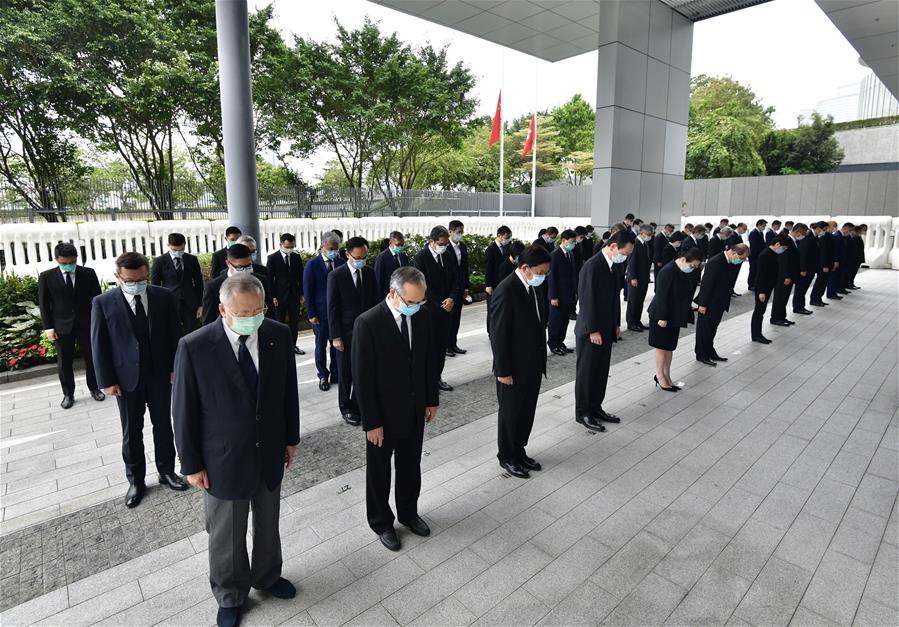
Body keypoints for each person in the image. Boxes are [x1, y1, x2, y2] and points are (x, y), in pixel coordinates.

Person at [172, 273, 299, 627]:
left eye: (257, 310)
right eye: (243, 313)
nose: (252, 318)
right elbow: (183, 410)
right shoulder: (194, 346)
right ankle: (230, 593)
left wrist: (291, 439)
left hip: (269, 449)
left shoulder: (278, 334)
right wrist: (192, 464)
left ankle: (268, 575)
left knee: (268, 521)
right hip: (222, 457)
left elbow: (287, 392)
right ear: (222, 310)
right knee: (226, 532)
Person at [353, 266, 439, 552]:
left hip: (414, 409)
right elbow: (362, 378)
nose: (416, 307)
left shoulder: (423, 316)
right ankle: (381, 522)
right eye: (411, 302)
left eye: (421, 301)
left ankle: (408, 513)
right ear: (394, 294)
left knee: (410, 466)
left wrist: (430, 399)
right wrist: (371, 422)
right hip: (382, 415)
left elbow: (427, 361)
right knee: (379, 472)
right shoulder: (368, 322)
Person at [91, 252, 186, 507]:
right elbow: (98, 345)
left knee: (164, 425)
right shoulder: (103, 302)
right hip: (125, 380)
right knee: (131, 431)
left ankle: (167, 471)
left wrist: (176, 367)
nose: (138, 284)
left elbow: (175, 334)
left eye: (142, 279)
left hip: (159, 375)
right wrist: (106, 380)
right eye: (131, 280)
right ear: (118, 278)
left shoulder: (163, 297)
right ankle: (136, 480)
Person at [490, 245, 551, 479]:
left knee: (526, 411)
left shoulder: (533, 287)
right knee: (510, 413)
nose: (543, 277)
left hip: (533, 364)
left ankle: (519, 450)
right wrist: (503, 370)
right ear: (525, 268)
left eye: (546, 273)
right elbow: (499, 334)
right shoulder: (507, 290)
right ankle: (507, 456)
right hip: (512, 368)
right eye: (541, 272)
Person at [574, 231, 633, 432]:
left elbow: (613, 298)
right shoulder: (592, 266)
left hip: (606, 329)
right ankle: (583, 412)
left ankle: (595, 407)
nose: (625, 257)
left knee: (600, 372)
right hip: (591, 332)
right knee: (587, 374)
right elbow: (587, 300)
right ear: (613, 246)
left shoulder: (613, 266)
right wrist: (593, 331)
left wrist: (616, 324)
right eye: (624, 252)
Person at [38, 242, 104, 409]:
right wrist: (49, 328)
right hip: (61, 326)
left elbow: (97, 299)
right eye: (64, 263)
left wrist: (99, 322)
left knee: (92, 358)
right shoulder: (47, 277)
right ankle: (68, 394)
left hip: (87, 323)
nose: (68, 266)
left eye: (71, 262)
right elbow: (44, 304)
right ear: (56, 259)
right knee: (64, 362)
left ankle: (95, 388)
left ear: (76, 258)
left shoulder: (88, 273)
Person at [328, 236, 379, 426]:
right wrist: (335, 336)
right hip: (345, 334)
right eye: (358, 257)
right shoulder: (336, 276)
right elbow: (332, 308)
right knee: (345, 373)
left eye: (364, 256)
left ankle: (358, 405)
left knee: (363, 371)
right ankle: (346, 407)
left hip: (366, 333)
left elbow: (376, 303)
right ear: (347, 254)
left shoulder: (369, 273)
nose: (361, 260)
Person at [648, 249, 703, 390]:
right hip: (662, 315)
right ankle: (660, 376)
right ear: (683, 259)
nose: (693, 269)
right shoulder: (667, 271)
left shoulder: (681, 271)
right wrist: (662, 316)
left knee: (669, 347)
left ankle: (666, 375)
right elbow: (661, 295)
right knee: (662, 347)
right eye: (692, 266)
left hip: (674, 315)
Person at [413, 226, 458, 392]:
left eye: (446, 243)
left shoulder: (447, 255)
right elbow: (422, 285)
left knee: (440, 346)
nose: (444, 246)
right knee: (428, 347)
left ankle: (437, 377)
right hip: (429, 310)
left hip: (447, 308)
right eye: (441, 243)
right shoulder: (421, 257)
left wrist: (452, 298)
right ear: (432, 241)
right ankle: (426, 380)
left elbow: (455, 278)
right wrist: (439, 303)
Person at [695, 244, 749, 366]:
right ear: (734, 253)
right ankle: (702, 354)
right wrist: (702, 304)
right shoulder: (716, 262)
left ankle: (710, 351)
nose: (741, 261)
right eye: (741, 258)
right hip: (709, 303)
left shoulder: (728, 261)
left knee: (712, 329)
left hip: (719, 302)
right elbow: (706, 285)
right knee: (704, 330)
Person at [304, 232, 344, 391]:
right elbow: (308, 291)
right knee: (320, 346)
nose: (334, 251)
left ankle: (336, 373)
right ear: (322, 247)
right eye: (330, 248)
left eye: (336, 248)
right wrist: (311, 314)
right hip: (320, 314)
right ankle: (322, 375)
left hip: (338, 313)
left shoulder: (341, 262)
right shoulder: (312, 265)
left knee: (337, 344)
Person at [202, 244, 275, 326]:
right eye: (240, 267)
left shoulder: (261, 281)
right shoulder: (213, 287)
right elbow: (208, 321)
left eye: (248, 266)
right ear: (228, 263)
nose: (245, 271)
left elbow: (270, 313)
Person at [151, 233, 204, 336]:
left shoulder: (192, 259)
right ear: (168, 245)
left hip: (190, 304)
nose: (178, 252)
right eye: (174, 250)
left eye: (181, 249)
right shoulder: (159, 261)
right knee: (172, 333)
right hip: (169, 302)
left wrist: (200, 305)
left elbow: (199, 283)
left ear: (185, 245)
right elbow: (155, 286)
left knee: (193, 333)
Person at [266, 233, 305, 355]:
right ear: (281, 245)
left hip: (294, 294)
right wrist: (272, 296)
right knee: (279, 321)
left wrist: (302, 294)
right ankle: (280, 346)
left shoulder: (296, 257)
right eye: (287, 246)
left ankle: (293, 345)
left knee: (294, 321)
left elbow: (301, 277)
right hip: (279, 295)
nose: (289, 249)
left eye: (292, 246)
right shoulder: (272, 258)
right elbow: (269, 279)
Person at [751, 234, 790, 344]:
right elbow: (761, 275)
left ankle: (757, 334)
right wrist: (762, 291)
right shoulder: (765, 255)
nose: (783, 250)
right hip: (762, 288)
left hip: (768, 286)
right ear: (777, 244)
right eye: (784, 248)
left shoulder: (772, 254)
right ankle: (756, 335)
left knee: (761, 311)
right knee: (759, 311)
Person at [547, 230, 579, 355]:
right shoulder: (554, 255)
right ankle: (553, 344)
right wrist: (553, 296)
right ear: (564, 240)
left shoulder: (570, 254)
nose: (573, 244)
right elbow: (552, 277)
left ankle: (561, 342)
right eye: (571, 242)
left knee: (564, 320)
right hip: (558, 295)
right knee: (555, 320)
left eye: (574, 242)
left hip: (569, 294)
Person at [770, 224, 807, 327]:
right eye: (803, 233)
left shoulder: (793, 241)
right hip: (783, 275)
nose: (803, 236)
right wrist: (786, 276)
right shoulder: (785, 240)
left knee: (784, 297)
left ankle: (782, 316)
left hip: (790, 275)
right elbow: (783, 260)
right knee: (780, 297)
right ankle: (776, 318)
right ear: (798, 232)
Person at [447, 220, 469, 356]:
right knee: (448, 319)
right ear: (450, 232)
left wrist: (466, 287)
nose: (460, 235)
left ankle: (453, 344)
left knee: (456, 318)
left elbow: (465, 268)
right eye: (458, 232)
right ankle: (446, 345)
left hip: (460, 287)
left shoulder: (463, 247)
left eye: (462, 232)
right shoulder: (444, 246)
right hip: (449, 289)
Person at [625, 224, 653, 332]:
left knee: (640, 300)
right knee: (633, 301)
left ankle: (637, 320)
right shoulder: (635, 244)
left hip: (644, 278)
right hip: (635, 278)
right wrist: (633, 277)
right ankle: (631, 322)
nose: (649, 236)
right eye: (648, 234)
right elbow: (631, 262)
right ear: (641, 233)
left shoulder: (644, 244)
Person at [484, 226, 512, 334]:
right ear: (499, 236)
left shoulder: (509, 248)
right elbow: (488, 269)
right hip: (494, 284)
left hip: (505, 283)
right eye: (507, 237)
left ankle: (502, 329)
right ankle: (491, 331)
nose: (508, 239)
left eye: (510, 237)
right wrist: (488, 285)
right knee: (492, 309)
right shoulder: (490, 250)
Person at [793, 222, 818, 316]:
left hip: (809, 268)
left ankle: (800, 306)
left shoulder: (808, 236)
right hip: (805, 269)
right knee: (801, 289)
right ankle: (798, 307)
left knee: (803, 289)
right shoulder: (807, 237)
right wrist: (803, 268)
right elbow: (803, 254)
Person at [374, 231, 408, 297]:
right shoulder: (382, 257)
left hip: (402, 294)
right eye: (397, 245)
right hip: (386, 295)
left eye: (402, 245)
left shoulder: (403, 257)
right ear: (390, 242)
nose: (400, 247)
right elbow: (378, 280)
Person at [809, 222, 833, 307]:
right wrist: (824, 265)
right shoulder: (822, 238)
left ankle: (818, 298)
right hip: (823, 266)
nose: (825, 230)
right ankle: (814, 299)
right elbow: (823, 253)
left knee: (823, 283)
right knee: (820, 282)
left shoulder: (825, 236)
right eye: (824, 229)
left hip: (826, 264)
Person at [826, 221, 846, 300]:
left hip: (835, 260)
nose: (835, 227)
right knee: (832, 278)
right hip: (832, 261)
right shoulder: (834, 236)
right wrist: (836, 261)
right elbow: (835, 250)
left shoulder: (832, 235)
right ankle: (831, 293)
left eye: (836, 226)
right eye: (834, 226)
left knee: (835, 278)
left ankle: (833, 292)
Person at [748, 219, 767, 290]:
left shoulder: (760, 233)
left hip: (758, 255)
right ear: (759, 225)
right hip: (754, 256)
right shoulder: (753, 233)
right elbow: (754, 246)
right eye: (763, 226)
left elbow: (762, 244)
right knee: (753, 271)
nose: (764, 227)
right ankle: (751, 285)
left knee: (757, 271)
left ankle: (755, 284)